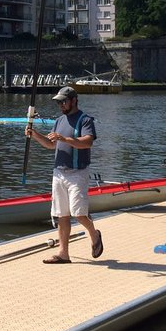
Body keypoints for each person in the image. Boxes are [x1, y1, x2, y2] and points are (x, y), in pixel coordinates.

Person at [26, 85, 104, 264]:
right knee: (61, 214)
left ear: (74, 101)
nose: (61, 104)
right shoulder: (59, 120)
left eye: (64, 101)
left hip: (77, 173)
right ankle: (63, 254)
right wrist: (35, 134)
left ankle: (94, 234)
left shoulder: (85, 120)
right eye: (59, 102)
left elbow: (87, 143)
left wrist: (64, 139)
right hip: (58, 172)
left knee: (78, 213)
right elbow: (51, 144)